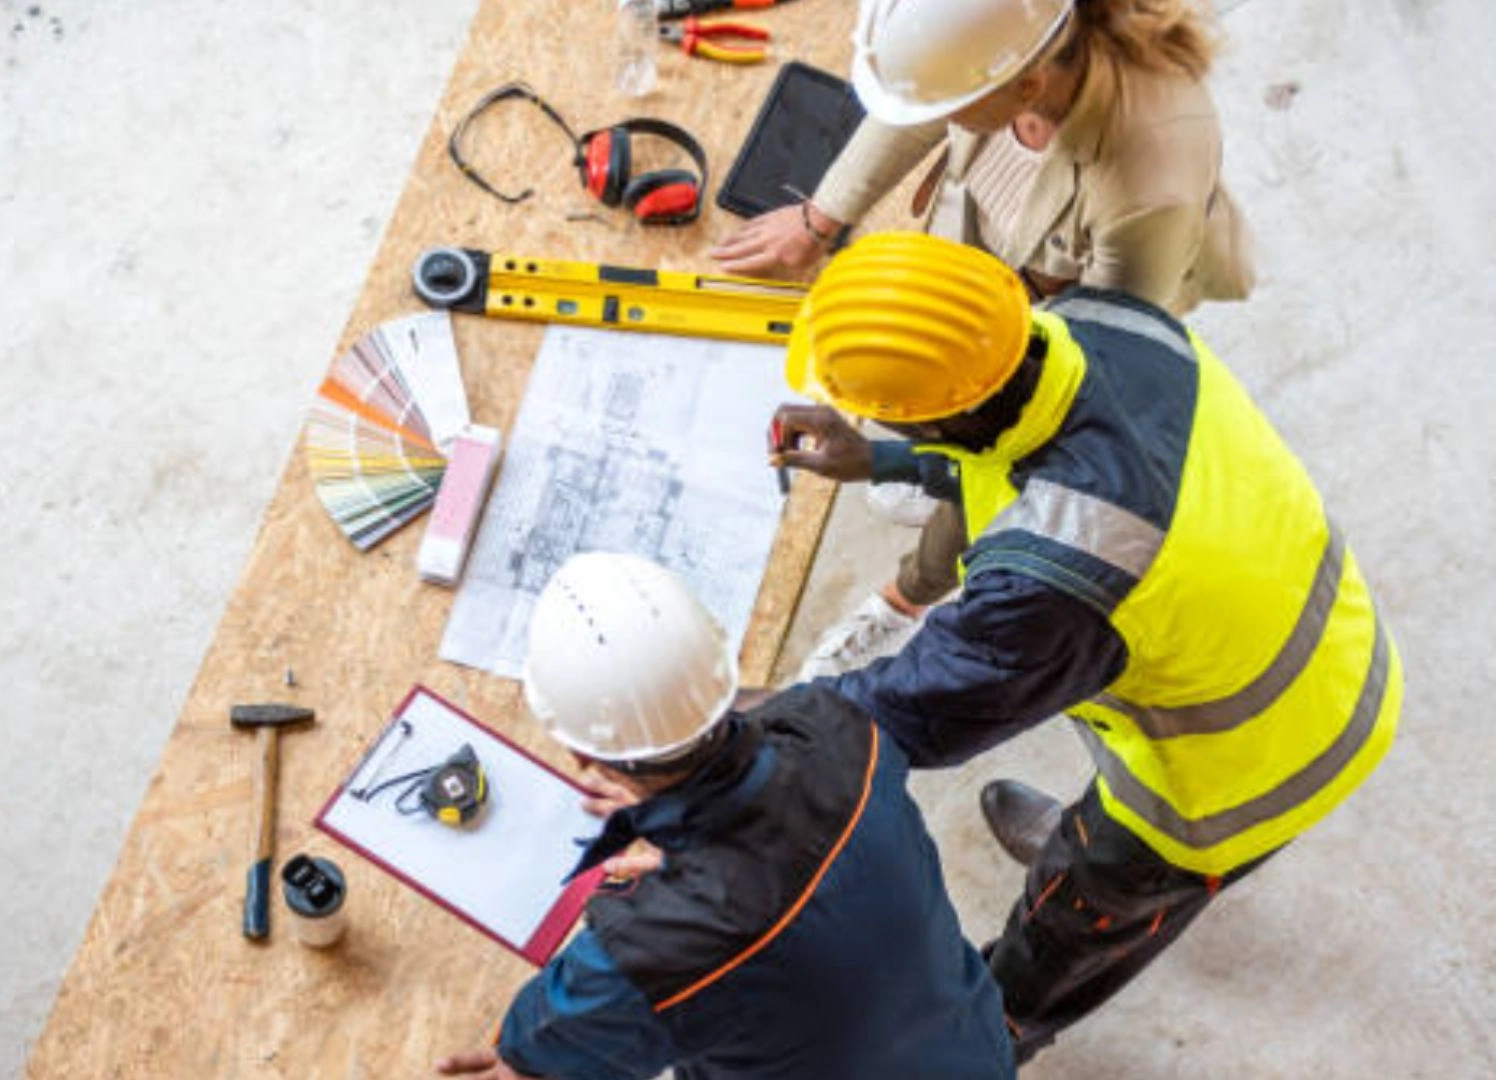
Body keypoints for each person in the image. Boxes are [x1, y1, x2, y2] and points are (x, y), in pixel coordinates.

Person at [772, 232, 1401, 1064]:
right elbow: (1007, 453)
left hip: (1253, 769)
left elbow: (910, 711)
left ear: (935, 412)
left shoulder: (1059, 576)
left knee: (1072, 924)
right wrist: (886, 459)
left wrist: (729, 726)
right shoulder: (1102, 325)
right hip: (1324, 639)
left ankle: (992, 1036)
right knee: (1119, 738)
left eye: (879, 411)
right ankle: (1088, 850)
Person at [714, 0, 1256, 676]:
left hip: (1071, 307)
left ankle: (908, 598)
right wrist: (818, 219)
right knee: (940, 401)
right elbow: (920, 104)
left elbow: (1063, 400)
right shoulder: (1004, 46)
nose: (941, 116)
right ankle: (928, 467)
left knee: (999, 452)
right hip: (999, 258)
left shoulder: (1149, 184)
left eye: (956, 105)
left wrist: (955, 444)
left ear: (1027, 88)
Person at [434, 552, 1013, 1079]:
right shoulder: (840, 729)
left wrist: (525, 1054)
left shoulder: (650, 953)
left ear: (581, 753)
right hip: (970, 1052)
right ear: (725, 664)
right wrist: (682, 831)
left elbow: (538, 1053)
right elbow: (771, 753)